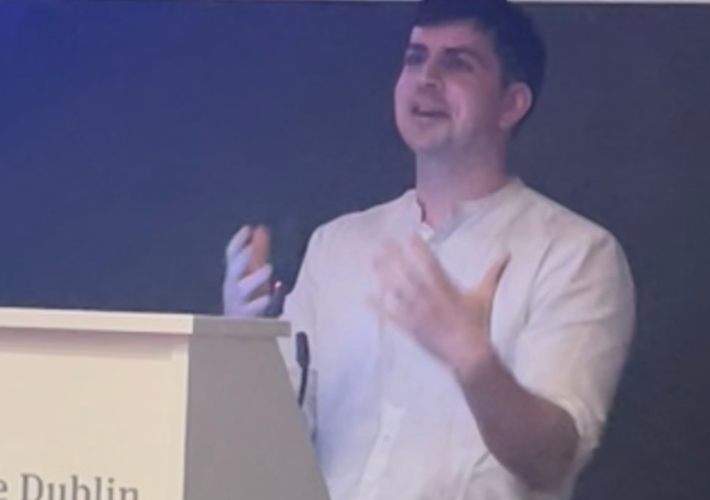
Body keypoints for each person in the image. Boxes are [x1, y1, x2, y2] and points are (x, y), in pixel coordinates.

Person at [222, 1, 635, 499]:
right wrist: (237, 344)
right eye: (415, 58)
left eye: (458, 63)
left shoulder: (576, 255)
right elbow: (269, 440)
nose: (426, 79)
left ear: (511, 104)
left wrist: (475, 364)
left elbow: (551, 461)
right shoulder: (338, 244)